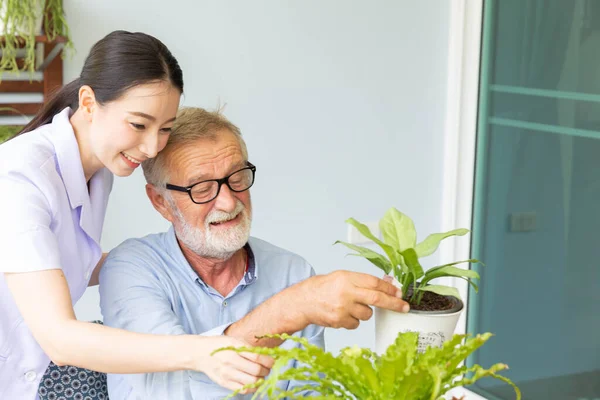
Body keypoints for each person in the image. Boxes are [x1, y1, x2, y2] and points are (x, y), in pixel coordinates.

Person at [0, 31, 272, 400]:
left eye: (166, 129)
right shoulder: (21, 177)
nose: (150, 147)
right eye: (139, 125)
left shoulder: (100, 172)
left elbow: (66, 260)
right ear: (89, 102)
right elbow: (60, 339)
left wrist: (177, 258)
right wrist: (204, 352)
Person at [99, 107, 411, 399]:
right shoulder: (130, 269)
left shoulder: (294, 272)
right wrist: (290, 310)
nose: (228, 201)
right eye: (203, 189)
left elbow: (308, 393)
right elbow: (165, 392)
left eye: (237, 178)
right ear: (161, 202)